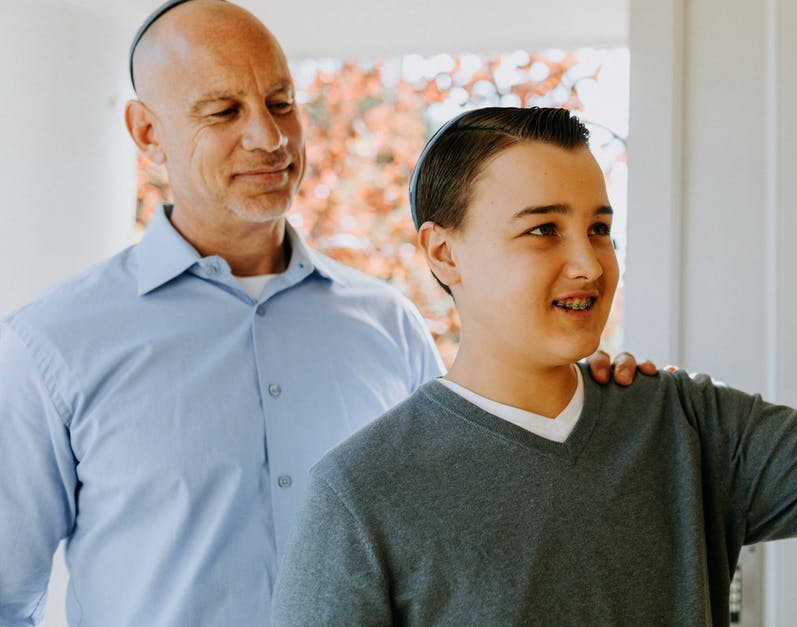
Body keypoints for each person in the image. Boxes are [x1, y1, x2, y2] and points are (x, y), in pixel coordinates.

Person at [271, 107, 797, 625]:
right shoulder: (362, 494)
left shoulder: (681, 424)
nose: (588, 262)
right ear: (442, 251)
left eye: (600, 227)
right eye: (543, 229)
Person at [0, 3, 646, 626]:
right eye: (224, 111)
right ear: (148, 133)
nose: (270, 136)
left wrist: (585, 404)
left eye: (281, 102)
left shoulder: (389, 325)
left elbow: (467, 531)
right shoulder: (50, 346)